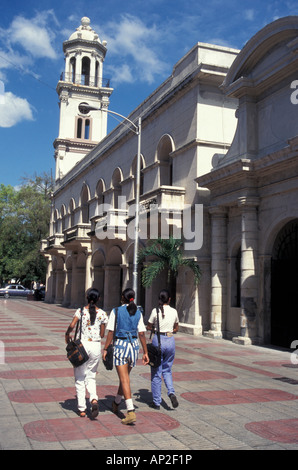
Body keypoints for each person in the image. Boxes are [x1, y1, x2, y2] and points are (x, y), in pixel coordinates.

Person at [102, 288, 149, 425]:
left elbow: (111, 331)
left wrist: (105, 348)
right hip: (134, 347)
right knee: (125, 378)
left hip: (121, 346)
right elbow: (141, 333)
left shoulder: (116, 311)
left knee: (124, 379)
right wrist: (145, 352)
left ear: (122, 297)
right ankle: (116, 402)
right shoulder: (138, 312)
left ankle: (130, 411)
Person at [65, 288, 108, 418]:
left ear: (87, 297)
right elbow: (101, 334)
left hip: (82, 346)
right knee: (91, 376)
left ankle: (82, 408)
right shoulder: (102, 314)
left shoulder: (81, 311)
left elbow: (72, 325)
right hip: (95, 346)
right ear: (98, 299)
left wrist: (67, 334)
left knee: (80, 378)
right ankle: (94, 399)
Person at [147, 289, 179, 410]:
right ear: (169, 299)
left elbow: (149, 326)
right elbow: (176, 327)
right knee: (167, 369)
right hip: (170, 340)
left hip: (158, 340)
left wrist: (154, 328)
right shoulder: (174, 311)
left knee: (156, 371)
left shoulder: (155, 311)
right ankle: (171, 392)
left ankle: (156, 401)